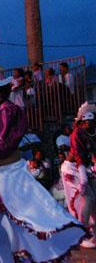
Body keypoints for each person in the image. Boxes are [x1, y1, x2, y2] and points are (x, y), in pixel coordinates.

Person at [0, 33, 86, 262]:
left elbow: (6, 144)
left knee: (27, 220)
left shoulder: (8, 110)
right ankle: (4, 259)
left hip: (8, 175)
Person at [66, 102, 96, 248]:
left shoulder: (93, 132)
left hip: (86, 167)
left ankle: (93, 232)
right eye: (87, 122)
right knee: (89, 199)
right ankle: (80, 234)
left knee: (95, 198)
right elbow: (78, 155)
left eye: (92, 121)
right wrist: (83, 174)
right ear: (82, 122)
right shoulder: (76, 133)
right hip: (73, 168)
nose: (89, 124)